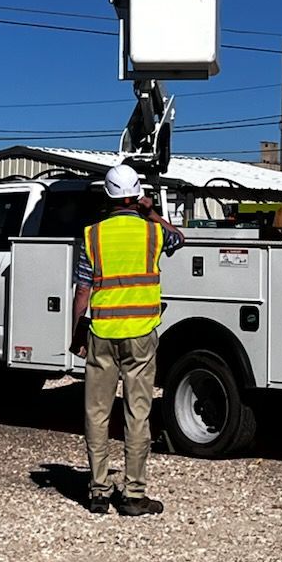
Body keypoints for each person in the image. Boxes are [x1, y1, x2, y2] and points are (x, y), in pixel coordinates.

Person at [71, 162, 184, 515]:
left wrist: (77, 331)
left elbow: (82, 290)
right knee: (138, 414)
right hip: (140, 335)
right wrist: (153, 213)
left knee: (97, 413)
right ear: (137, 195)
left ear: (106, 195)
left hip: (102, 332)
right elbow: (180, 237)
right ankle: (134, 494)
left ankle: (98, 492)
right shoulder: (152, 233)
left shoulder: (92, 235)